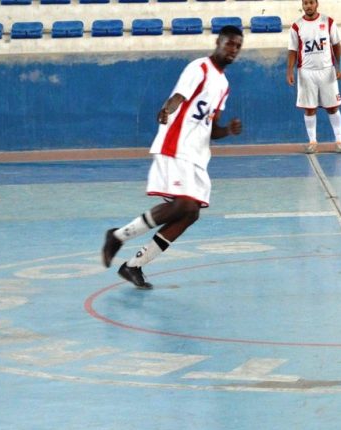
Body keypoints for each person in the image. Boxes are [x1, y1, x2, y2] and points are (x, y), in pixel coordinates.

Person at [101, 25, 244, 289]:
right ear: (218, 42)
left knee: (190, 214)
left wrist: (228, 131)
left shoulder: (223, 85)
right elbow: (178, 96)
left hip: (198, 156)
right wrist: (167, 109)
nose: (233, 49)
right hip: (177, 147)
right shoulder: (199, 68)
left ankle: (134, 266)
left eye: (238, 46)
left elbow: (212, 128)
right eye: (229, 43)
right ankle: (118, 236)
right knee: (182, 206)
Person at [287, 0, 341, 154]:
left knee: (332, 107)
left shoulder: (328, 22)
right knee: (309, 108)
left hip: (327, 70)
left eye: (311, 2)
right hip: (306, 72)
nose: (308, 6)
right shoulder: (296, 26)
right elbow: (292, 50)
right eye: (305, 3)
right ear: (302, 5)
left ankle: (339, 141)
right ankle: (312, 142)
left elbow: (337, 46)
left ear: (316, 4)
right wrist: (289, 71)